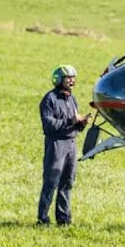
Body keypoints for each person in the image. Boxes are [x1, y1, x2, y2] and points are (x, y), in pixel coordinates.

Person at [39, 64, 90, 226]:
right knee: (51, 182)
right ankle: (43, 219)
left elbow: (75, 125)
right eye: (68, 78)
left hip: (71, 144)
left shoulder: (72, 99)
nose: (71, 81)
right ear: (59, 79)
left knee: (67, 182)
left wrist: (82, 123)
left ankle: (64, 220)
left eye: (73, 78)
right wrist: (70, 121)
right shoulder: (50, 99)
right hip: (56, 145)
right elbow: (49, 125)